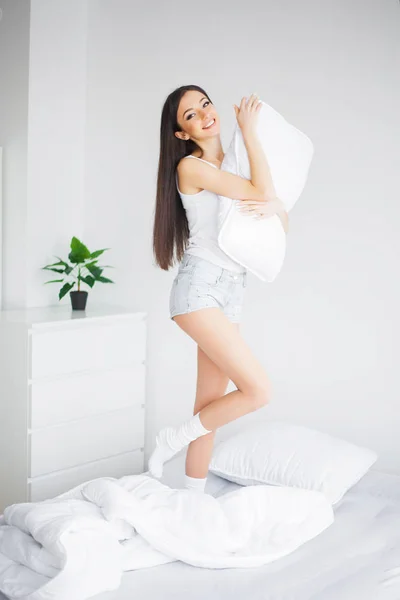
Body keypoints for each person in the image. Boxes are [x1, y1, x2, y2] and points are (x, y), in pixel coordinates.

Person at [150, 85, 289, 492]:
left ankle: (191, 503)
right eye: (190, 115)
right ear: (181, 134)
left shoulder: (236, 165)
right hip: (199, 289)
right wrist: (250, 131)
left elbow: (276, 220)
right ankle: (172, 440)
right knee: (258, 390)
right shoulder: (191, 168)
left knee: (207, 409)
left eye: (205, 104)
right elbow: (261, 194)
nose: (205, 114)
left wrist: (276, 206)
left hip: (231, 291)